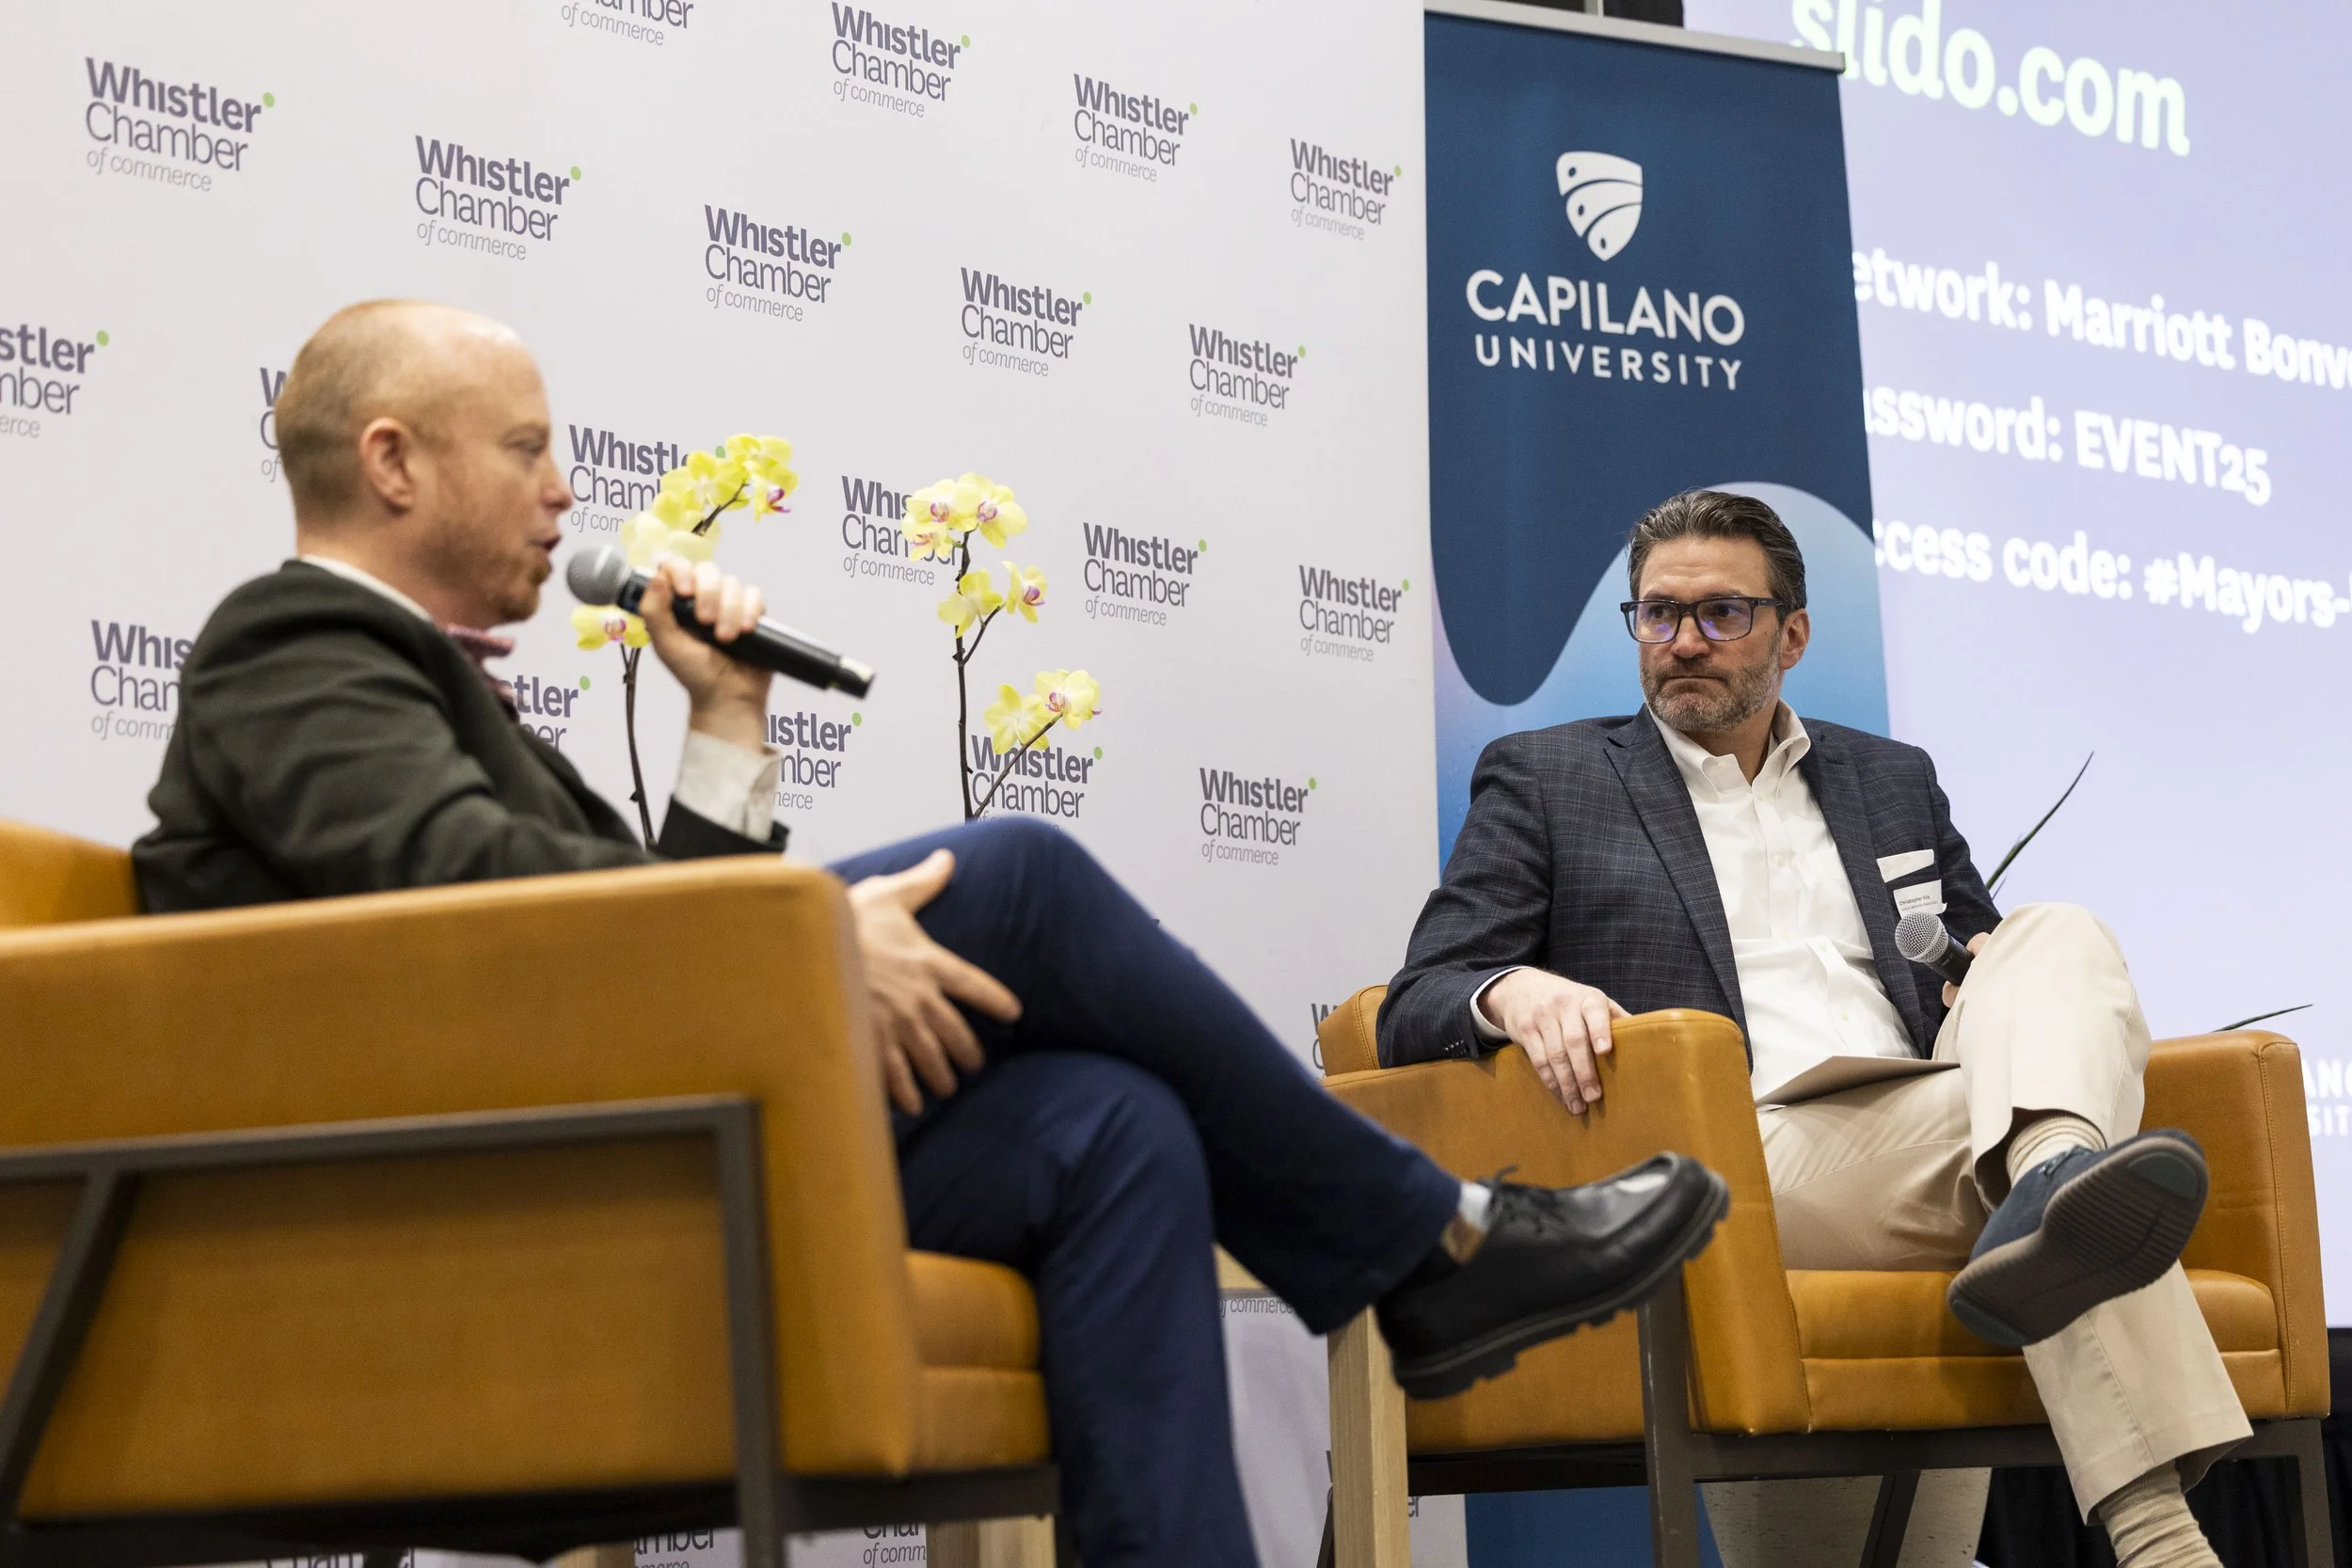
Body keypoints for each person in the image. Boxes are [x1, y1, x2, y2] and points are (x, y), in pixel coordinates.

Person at [132, 300, 1732, 1568]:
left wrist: (730, 715)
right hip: (478, 1205)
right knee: (1018, 877)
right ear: (395, 461)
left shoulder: (438, 688)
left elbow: (624, 940)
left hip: (633, 1145)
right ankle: (1431, 1242)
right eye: (531, 449)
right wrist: (803, 944)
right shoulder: (291, 643)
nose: (567, 489)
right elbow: (473, 903)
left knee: (1114, 1127)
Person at [1381, 489, 2248, 1568]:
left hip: (1921, 1120)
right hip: (1743, 1146)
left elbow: (1984, 971)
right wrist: (1511, 989)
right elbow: (1417, 996)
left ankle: (2051, 1171)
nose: (1683, 642)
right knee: (2072, 1180)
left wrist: (1984, 985)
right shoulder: (1552, 778)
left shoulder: (1890, 778)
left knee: (2054, 936)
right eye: (1657, 614)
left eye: (1720, 614)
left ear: (1791, 633)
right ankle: (2160, 1529)